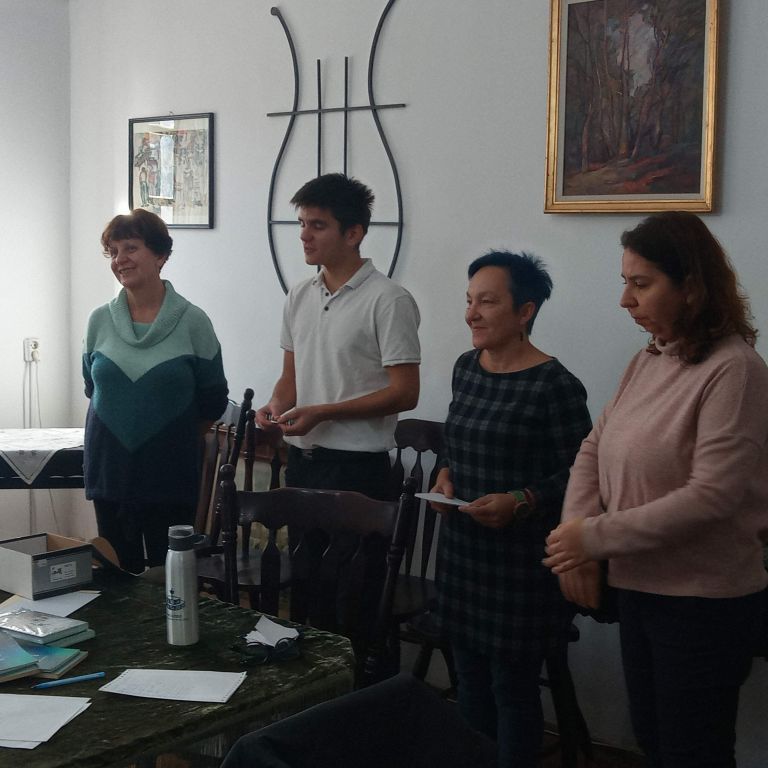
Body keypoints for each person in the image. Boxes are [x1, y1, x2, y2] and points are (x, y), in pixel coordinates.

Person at [544, 212, 768, 768]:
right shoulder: (648, 359)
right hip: (639, 587)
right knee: (652, 739)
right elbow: (593, 450)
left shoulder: (735, 369)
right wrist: (577, 540)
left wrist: (593, 538)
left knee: (692, 753)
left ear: (691, 287)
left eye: (641, 284)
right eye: (626, 282)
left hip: (703, 603)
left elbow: (712, 496)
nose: (626, 300)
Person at [431, 250, 591, 768]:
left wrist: (522, 501)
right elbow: (456, 443)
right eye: (469, 301)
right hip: (463, 556)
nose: (471, 314)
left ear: (525, 311)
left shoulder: (555, 385)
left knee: (512, 691)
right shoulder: (466, 368)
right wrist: (445, 474)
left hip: (521, 568)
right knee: (469, 682)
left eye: (487, 302)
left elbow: (582, 476)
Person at [256, 173, 420, 501]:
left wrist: (324, 412)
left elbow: (405, 393)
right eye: (302, 223)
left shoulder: (389, 300)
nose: (304, 235)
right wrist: (275, 407)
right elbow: (290, 377)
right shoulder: (299, 295)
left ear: (353, 233)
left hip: (356, 468)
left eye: (318, 226)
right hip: (300, 461)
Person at [82, 209, 228, 573]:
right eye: (114, 251)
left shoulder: (193, 321)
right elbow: (92, 387)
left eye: (131, 248)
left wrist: (169, 437)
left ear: (160, 255)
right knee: (117, 577)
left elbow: (213, 399)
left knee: (172, 578)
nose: (120, 259)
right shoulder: (98, 320)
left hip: (170, 473)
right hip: (110, 470)